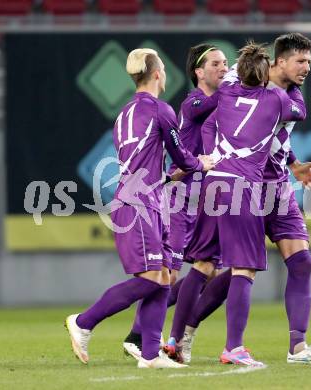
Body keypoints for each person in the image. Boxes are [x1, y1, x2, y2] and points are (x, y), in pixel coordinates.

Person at [180, 33, 311, 365]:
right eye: (301, 61)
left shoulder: (291, 93)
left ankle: (298, 347)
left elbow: (274, 133)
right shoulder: (240, 77)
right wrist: (211, 159)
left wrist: (292, 163)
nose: (307, 68)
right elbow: (208, 117)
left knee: (301, 261)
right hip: (237, 185)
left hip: (275, 186)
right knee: (218, 270)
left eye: (309, 62)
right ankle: (182, 333)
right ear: (279, 61)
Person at [65, 48, 214, 369]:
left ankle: (149, 355)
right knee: (151, 279)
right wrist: (203, 162)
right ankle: (83, 321)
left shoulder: (123, 115)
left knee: (162, 278)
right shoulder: (161, 110)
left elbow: (139, 162)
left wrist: (166, 175)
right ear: (158, 74)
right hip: (140, 204)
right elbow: (183, 157)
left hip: (143, 198)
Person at [122, 43, 228, 359]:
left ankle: (158, 336)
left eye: (226, 63)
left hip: (206, 200)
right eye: (216, 64)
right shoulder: (194, 102)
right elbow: (214, 106)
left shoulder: (220, 107)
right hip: (181, 197)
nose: (223, 69)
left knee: (203, 272)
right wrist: (242, 82)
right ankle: (138, 336)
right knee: (168, 274)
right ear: (198, 71)